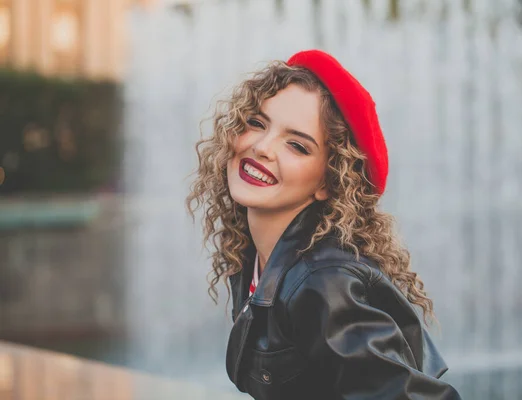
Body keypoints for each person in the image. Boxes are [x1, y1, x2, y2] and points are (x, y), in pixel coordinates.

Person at [186, 49, 461, 399]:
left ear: (327, 182)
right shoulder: (258, 256)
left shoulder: (323, 282)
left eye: (297, 146)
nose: (262, 147)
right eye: (256, 123)